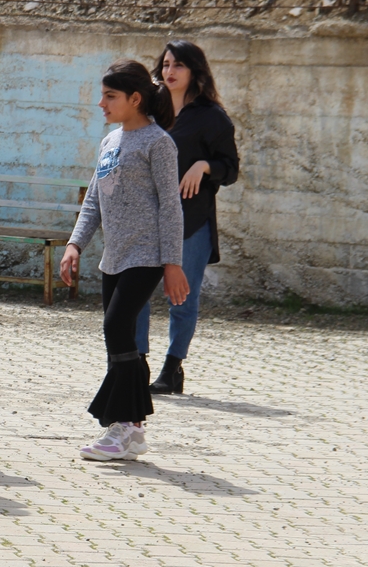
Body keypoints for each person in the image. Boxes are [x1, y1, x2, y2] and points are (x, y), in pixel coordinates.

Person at [60, 59, 188, 462]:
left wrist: (172, 263)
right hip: (114, 257)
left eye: (110, 96)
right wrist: (74, 245)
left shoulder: (158, 143)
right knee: (121, 338)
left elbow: (171, 206)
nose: (102, 103)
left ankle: (122, 425)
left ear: (135, 99)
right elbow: (94, 201)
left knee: (118, 328)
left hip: (146, 255)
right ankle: (131, 431)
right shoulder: (110, 142)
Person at [135, 40, 239, 394]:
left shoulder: (212, 116)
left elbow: (231, 167)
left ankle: (172, 368)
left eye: (178, 65)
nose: (169, 72)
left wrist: (204, 164)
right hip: (148, 219)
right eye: (165, 64)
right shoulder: (149, 111)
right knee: (136, 294)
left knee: (182, 297)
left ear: (195, 71)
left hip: (192, 221)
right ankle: (138, 362)